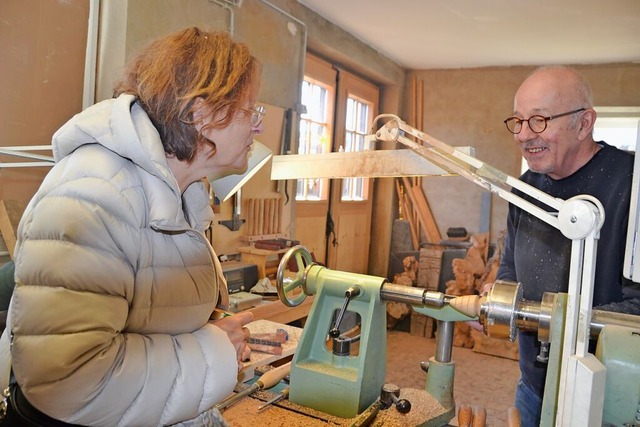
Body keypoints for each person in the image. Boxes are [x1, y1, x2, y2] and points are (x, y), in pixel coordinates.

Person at [0, 27, 265, 426]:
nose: (258, 128)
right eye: (250, 111)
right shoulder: (95, 196)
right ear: (200, 115)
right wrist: (213, 350)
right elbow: (70, 380)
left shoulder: (181, 193)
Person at [497, 65, 640, 426]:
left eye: (540, 120)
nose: (524, 135)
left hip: (608, 394)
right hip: (533, 385)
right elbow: (510, 267)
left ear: (584, 123)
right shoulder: (525, 188)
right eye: (518, 121)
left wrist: (557, 322)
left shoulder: (633, 184)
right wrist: (497, 295)